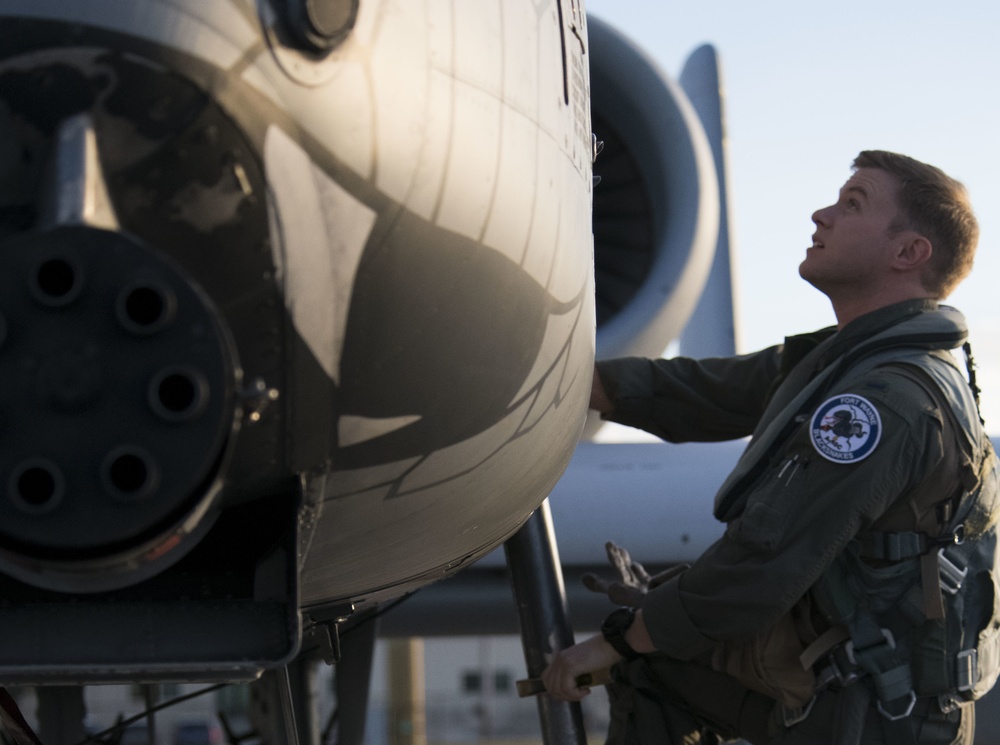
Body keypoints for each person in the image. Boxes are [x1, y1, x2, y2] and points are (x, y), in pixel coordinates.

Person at [541, 151, 999, 745]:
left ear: (908, 253)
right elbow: (711, 392)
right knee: (655, 661)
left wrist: (614, 640)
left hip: (872, 718)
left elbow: (762, 566)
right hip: (864, 696)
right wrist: (571, 381)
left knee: (642, 652)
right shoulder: (851, 365)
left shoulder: (880, 402)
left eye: (852, 204)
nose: (821, 214)